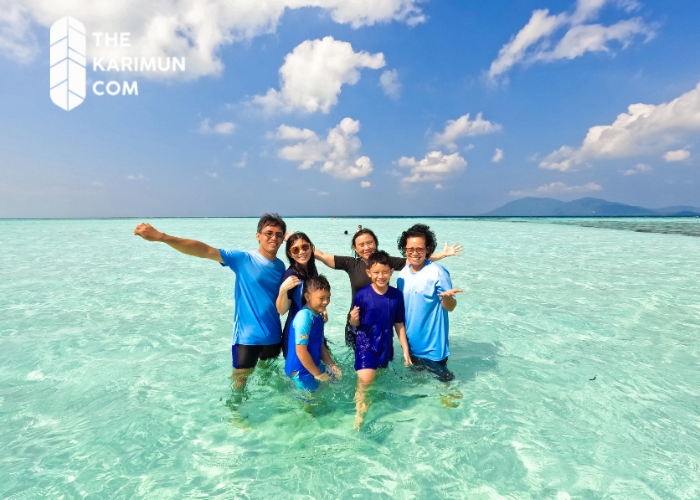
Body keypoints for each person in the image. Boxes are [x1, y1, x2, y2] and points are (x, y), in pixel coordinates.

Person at [133, 213, 287, 390]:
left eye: (279, 234)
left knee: (267, 379)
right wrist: (162, 237)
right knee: (239, 383)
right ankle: (236, 416)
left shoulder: (281, 266)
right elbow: (204, 250)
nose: (273, 237)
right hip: (247, 337)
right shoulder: (243, 259)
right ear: (258, 235)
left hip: (274, 336)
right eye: (268, 233)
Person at [314, 228, 462, 348]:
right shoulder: (350, 263)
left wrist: (442, 254)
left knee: (379, 364)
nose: (366, 247)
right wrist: (298, 244)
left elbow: (414, 257)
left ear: (376, 243)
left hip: (380, 324)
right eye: (361, 244)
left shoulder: (387, 262)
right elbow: (321, 255)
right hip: (356, 322)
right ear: (355, 247)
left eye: (370, 242)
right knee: (357, 363)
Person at [348, 251, 410, 430]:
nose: (380, 276)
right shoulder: (362, 294)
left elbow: (399, 323)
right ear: (369, 273)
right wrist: (353, 320)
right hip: (364, 345)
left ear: (391, 271)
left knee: (375, 382)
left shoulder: (396, 296)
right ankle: (358, 418)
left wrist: (405, 349)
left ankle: (368, 408)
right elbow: (356, 323)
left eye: (384, 272)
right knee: (365, 382)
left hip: (385, 346)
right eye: (376, 272)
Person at [396, 224, 463, 382]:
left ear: (427, 249)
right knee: (418, 386)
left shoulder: (438, 272)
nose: (414, 253)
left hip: (433, 348)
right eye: (410, 249)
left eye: (419, 249)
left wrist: (447, 298)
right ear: (404, 249)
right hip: (410, 345)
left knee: (447, 387)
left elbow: (450, 307)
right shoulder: (403, 273)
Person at [285, 275, 342, 394]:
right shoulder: (304, 318)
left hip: (312, 366)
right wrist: (318, 374)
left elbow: (320, 345)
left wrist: (332, 365)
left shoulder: (318, 316)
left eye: (328, 297)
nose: (326, 302)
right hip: (300, 371)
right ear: (307, 297)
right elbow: (301, 351)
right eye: (321, 298)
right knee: (311, 402)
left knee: (334, 382)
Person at [276, 232, 323, 358]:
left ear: (311, 247)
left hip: (312, 331)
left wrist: (322, 310)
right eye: (295, 250)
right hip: (296, 337)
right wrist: (282, 290)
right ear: (290, 254)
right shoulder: (291, 274)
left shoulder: (312, 270)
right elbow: (281, 310)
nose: (301, 252)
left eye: (305, 247)